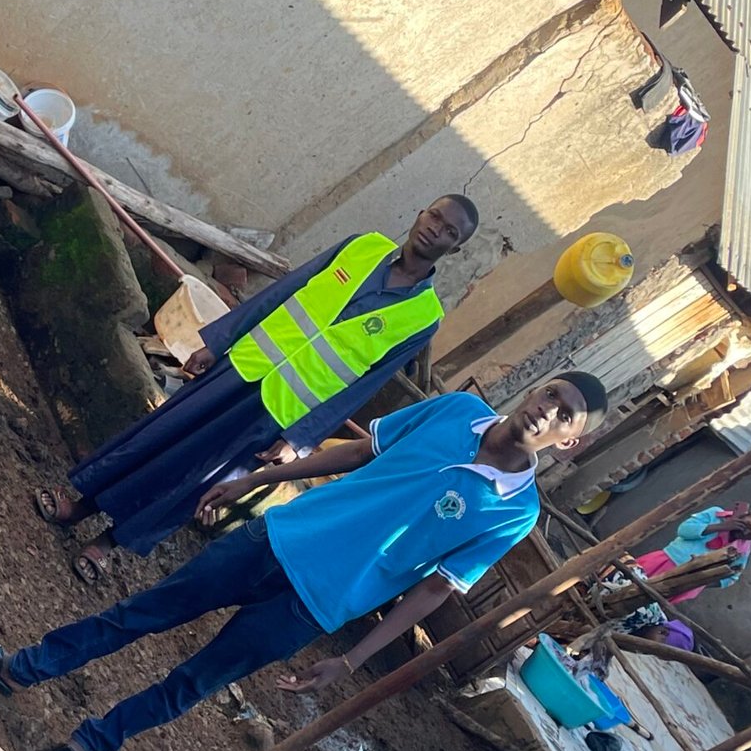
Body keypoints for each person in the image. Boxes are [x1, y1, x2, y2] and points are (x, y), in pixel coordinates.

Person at [0, 370, 609, 751]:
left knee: (193, 682)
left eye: (566, 416)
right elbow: (361, 450)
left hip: (313, 605)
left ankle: (86, 744)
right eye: (552, 395)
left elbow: (436, 588)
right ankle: (22, 667)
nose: (548, 411)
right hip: (275, 538)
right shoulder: (457, 410)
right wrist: (257, 478)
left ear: (569, 443)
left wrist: (352, 659)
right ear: (536, 389)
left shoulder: (513, 513)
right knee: (142, 611)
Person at [33, 195, 479, 582]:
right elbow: (283, 291)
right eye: (435, 216)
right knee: (159, 435)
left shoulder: (423, 317)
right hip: (243, 368)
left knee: (195, 478)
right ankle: (81, 505)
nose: (435, 229)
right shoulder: (363, 247)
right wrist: (218, 341)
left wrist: (300, 439)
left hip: (277, 413)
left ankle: (109, 542)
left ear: (454, 248)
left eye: (449, 231)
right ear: (421, 214)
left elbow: (365, 386)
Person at [635, 505, 751, 603]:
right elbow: (683, 530)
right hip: (665, 562)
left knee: (642, 604)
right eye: (746, 526)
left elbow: (732, 577)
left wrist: (700, 582)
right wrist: (721, 526)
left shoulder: (743, 549)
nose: (745, 533)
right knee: (630, 583)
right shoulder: (716, 514)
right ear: (749, 514)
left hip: (681, 584)